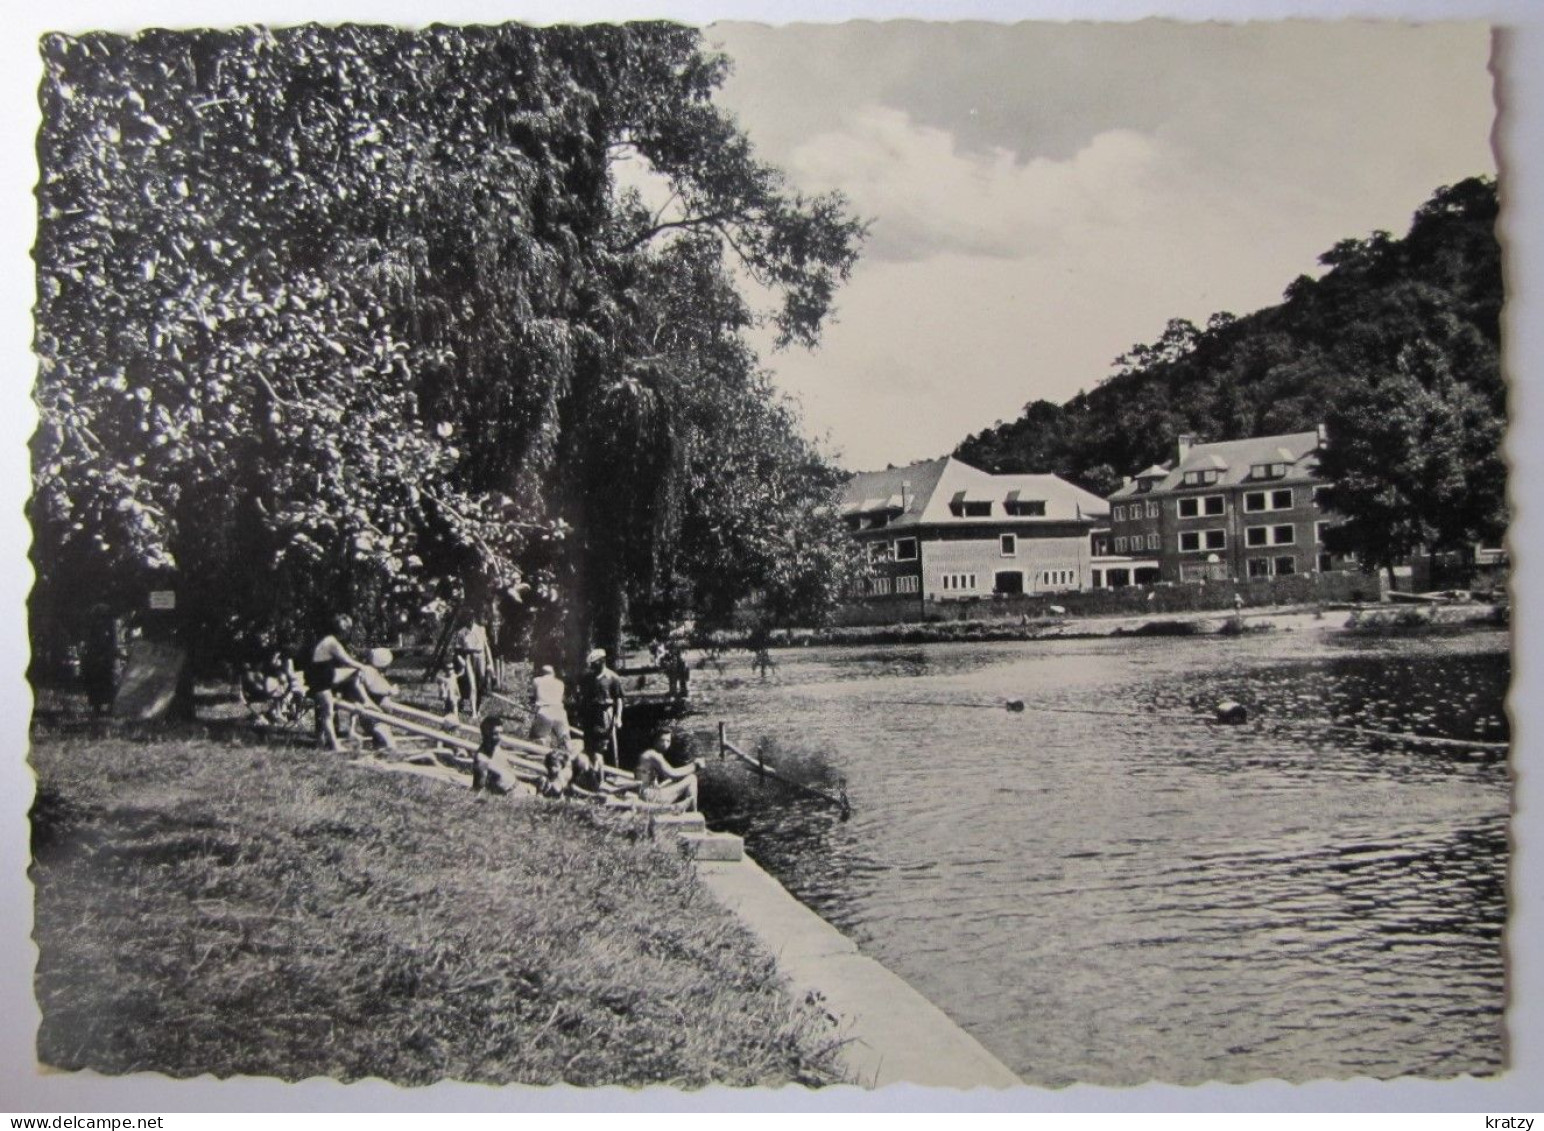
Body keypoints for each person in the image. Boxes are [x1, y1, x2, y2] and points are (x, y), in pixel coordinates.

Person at [307, 615, 368, 751]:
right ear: (342, 630)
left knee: (327, 713)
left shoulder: (324, 640)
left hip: (321, 679)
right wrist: (363, 667)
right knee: (328, 713)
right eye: (347, 630)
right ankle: (335, 745)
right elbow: (346, 660)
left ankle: (326, 740)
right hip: (323, 681)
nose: (347, 633)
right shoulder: (332, 642)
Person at [634, 725, 701, 811]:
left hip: (648, 793)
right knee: (692, 778)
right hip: (649, 796)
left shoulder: (650, 753)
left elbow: (667, 777)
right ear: (655, 741)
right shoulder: (652, 755)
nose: (665, 744)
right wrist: (694, 766)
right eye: (662, 740)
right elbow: (672, 773)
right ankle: (693, 814)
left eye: (668, 741)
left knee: (676, 779)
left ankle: (690, 811)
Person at [578, 647, 625, 767]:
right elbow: (583, 697)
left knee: (605, 745)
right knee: (589, 744)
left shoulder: (613, 678)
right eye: (591, 664)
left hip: (605, 714)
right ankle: (591, 773)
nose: (592, 666)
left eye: (595, 663)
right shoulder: (588, 678)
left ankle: (613, 772)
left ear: (602, 661)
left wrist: (618, 717)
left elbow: (618, 699)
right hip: (590, 714)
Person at [453, 614, 493, 715]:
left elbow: (486, 647)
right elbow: (457, 651)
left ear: (474, 620)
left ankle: (477, 708)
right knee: (472, 685)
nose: (470, 622)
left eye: (471, 620)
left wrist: (490, 663)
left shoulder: (481, 629)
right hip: (468, 657)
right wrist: (461, 661)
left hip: (480, 656)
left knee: (481, 684)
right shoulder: (461, 632)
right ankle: (474, 712)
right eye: (467, 620)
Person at [528, 663, 572, 753]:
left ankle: (539, 754)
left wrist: (533, 706)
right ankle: (569, 755)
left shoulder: (537, 681)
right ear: (553, 673)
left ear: (542, 673)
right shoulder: (560, 683)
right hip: (559, 711)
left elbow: (532, 697)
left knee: (538, 737)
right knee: (565, 738)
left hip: (545, 710)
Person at [471, 713, 511, 794]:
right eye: (495, 734)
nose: (500, 737)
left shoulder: (497, 749)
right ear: (486, 734)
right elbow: (480, 789)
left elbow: (507, 773)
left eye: (501, 733)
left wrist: (532, 779)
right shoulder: (482, 759)